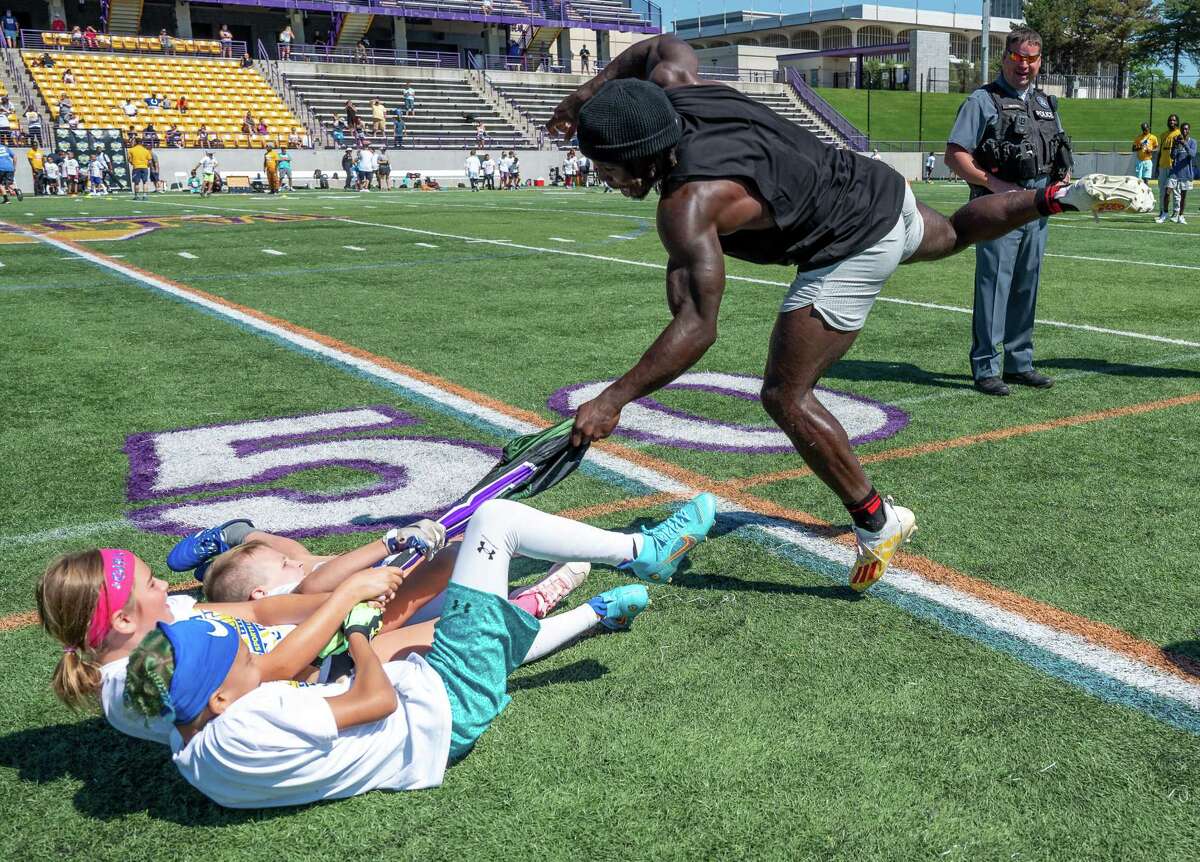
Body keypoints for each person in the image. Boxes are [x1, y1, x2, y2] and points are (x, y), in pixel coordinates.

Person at [546, 33, 1150, 591]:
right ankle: (1054, 196)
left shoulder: (688, 204)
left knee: (786, 396)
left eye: (607, 168)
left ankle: (876, 520)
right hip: (876, 187)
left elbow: (697, 325)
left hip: (850, 242)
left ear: (644, 155)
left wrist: (613, 399)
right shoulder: (679, 86)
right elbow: (660, 45)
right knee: (955, 235)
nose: (604, 178)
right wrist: (583, 95)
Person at [121, 495, 715, 807]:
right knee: (496, 522)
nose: (259, 658)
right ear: (223, 697)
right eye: (243, 660)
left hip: (424, 715)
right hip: (441, 707)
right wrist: (354, 629)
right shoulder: (254, 720)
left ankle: (594, 613)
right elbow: (373, 699)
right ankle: (642, 548)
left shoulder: (194, 734)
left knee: (458, 617)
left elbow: (266, 648)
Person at [945, 28, 1078, 397]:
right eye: (1018, 57)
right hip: (998, 207)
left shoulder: (1046, 103)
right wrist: (994, 185)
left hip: (1038, 203)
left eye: (1032, 59)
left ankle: (1019, 363)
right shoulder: (982, 101)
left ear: (1040, 62)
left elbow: (1056, 148)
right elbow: (954, 155)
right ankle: (986, 367)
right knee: (995, 284)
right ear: (1005, 57)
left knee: (1025, 283)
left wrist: (1063, 175)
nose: (1024, 65)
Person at [1164, 122, 1195, 224]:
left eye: (1186, 129)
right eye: (1183, 129)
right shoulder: (1177, 142)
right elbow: (1172, 156)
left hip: (1186, 173)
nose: (1184, 131)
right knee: (1167, 192)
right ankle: (1164, 214)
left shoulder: (1192, 142)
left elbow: (1192, 154)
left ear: (1189, 130)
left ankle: (1181, 216)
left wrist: (1184, 143)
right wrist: (1175, 146)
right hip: (1174, 173)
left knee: (1183, 196)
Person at [1156, 113, 1180, 221]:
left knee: (1174, 191)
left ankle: (1176, 213)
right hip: (1162, 166)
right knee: (1162, 191)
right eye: (1170, 120)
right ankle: (1162, 212)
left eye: (1174, 120)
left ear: (1177, 122)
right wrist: (1157, 166)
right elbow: (1160, 152)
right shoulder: (1163, 134)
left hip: (1173, 167)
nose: (1172, 122)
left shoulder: (1179, 133)